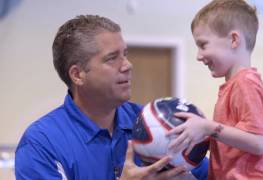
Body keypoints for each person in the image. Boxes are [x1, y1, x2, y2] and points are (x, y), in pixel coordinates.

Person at [15, 15, 208, 180]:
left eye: (125, 54)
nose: (127, 65)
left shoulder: (152, 121)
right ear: (77, 75)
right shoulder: (41, 143)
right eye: (111, 58)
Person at [167, 0, 263, 179]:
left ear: (234, 40)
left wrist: (208, 127)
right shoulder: (233, 86)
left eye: (203, 45)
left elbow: (258, 143)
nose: (198, 56)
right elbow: (235, 145)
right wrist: (202, 137)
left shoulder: (246, 83)